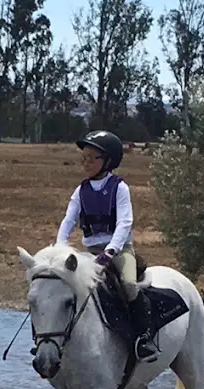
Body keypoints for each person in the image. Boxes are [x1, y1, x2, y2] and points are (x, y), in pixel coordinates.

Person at [56, 130, 158, 362]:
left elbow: (125, 222)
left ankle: (144, 337)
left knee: (129, 284)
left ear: (108, 161)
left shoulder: (119, 187)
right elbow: (68, 220)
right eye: (84, 158)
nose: (87, 163)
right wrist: (60, 246)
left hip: (119, 251)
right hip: (90, 252)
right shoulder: (80, 191)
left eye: (93, 158)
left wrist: (110, 251)